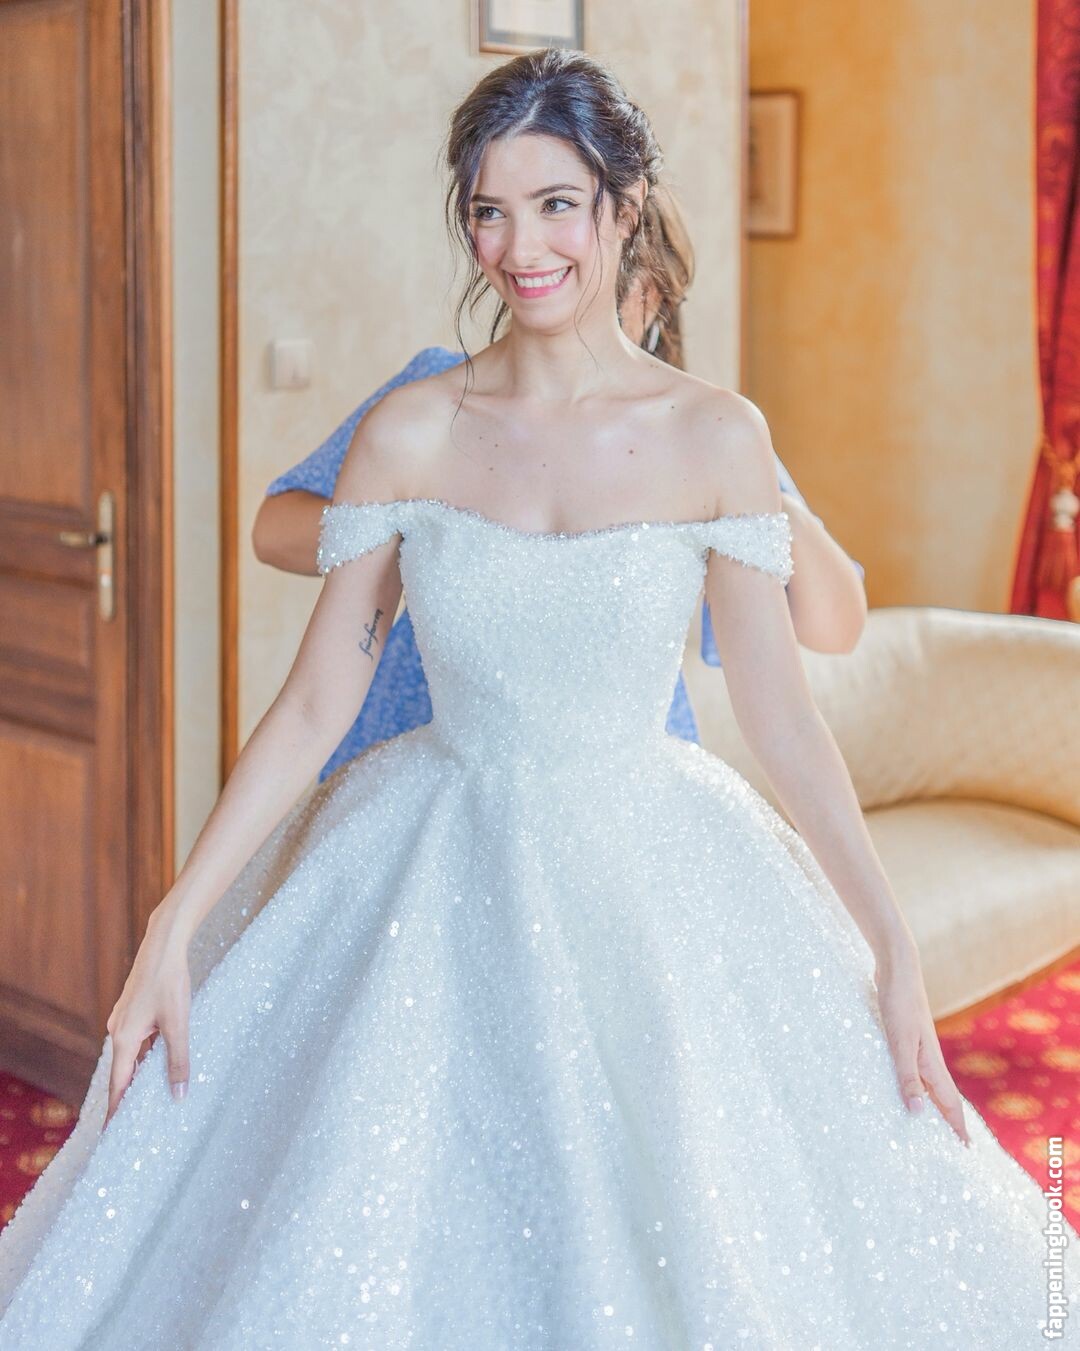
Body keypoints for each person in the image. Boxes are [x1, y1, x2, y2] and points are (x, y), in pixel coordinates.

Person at [0, 47, 1075, 1350]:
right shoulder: (411, 429)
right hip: (426, 854)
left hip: (660, 862)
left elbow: (785, 717)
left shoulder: (717, 435)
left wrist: (892, 946)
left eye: (556, 203)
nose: (520, 247)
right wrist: (173, 922)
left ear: (624, 206)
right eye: (490, 210)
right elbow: (314, 703)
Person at [252, 278, 867, 781]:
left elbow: (836, 626)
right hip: (415, 731)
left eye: (609, 291)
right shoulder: (437, 403)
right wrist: (439, 530)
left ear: (651, 297)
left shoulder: (704, 433)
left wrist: (758, 498)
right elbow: (274, 531)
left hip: (617, 775)